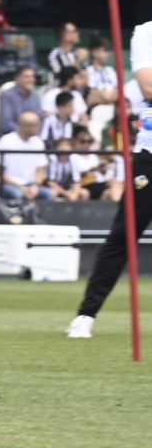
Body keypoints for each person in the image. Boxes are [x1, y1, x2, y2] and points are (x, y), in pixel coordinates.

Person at [70, 21, 152, 338]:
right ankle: (85, 316)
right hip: (150, 154)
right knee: (123, 235)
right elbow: (148, 88)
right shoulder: (146, 32)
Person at [0, 112, 51, 201]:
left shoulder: (38, 142)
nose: (38, 128)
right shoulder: (6, 141)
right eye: (35, 125)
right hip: (10, 185)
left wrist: (35, 186)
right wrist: (20, 187)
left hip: (31, 185)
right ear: (25, 126)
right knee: (18, 195)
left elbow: (41, 169)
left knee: (48, 194)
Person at [0, 66, 44, 137]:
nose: (31, 80)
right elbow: (6, 124)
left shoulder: (35, 97)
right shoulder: (7, 96)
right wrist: (25, 132)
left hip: (33, 137)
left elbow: (40, 119)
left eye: (32, 77)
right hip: (12, 138)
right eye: (26, 77)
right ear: (17, 79)